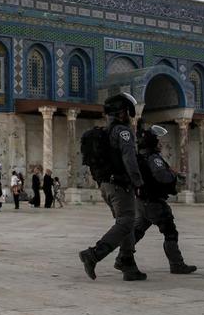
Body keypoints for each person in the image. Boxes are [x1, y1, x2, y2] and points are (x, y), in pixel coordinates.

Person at [79, 92, 147, 281]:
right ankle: (93, 255)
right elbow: (129, 159)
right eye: (127, 111)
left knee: (125, 223)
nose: (128, 116)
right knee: (126, 221)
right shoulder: (123, 132)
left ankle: (128, 263)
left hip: (106, 185)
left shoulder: (105, 132)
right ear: (122, 113)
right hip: (120, 185)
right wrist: (138, 182)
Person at [116, 125, 196, 274]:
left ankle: (122, 257)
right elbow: (162, 177)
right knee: (170, 231)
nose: (160, 143)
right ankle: (177, 264)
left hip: (142, 200)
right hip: (154, 201)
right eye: (157, 140)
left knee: (137, 230)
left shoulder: (139, 157)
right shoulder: (153, 158)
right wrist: (174, 175)